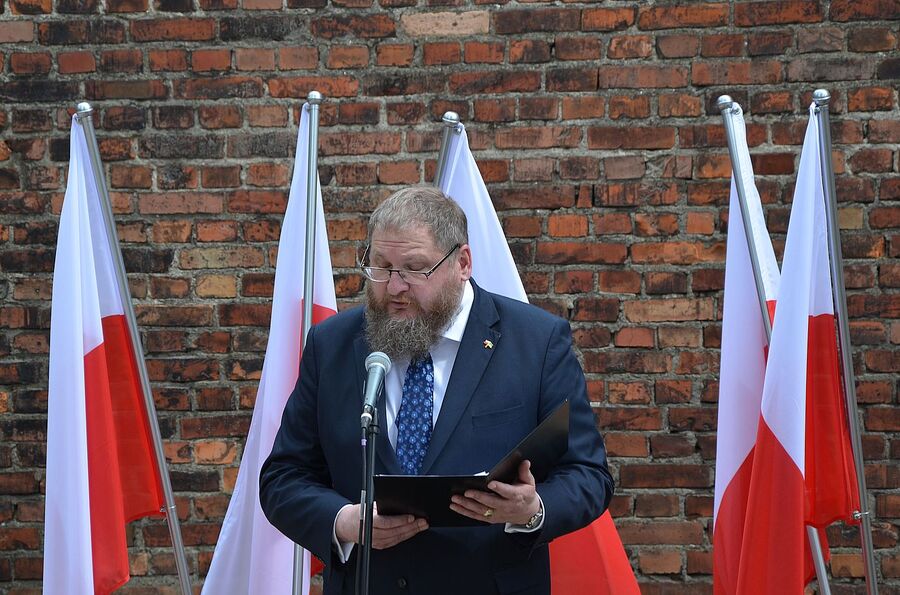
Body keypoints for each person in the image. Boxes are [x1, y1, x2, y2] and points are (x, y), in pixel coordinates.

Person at [260, 186, 613, 595]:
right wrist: (343, 521)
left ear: (462, 263)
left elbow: (589, 474)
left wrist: (532, 510)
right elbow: (283, 478)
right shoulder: (332, 344)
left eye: (414, 268)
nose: (394, 287)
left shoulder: (536, 342)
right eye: (381, 266)